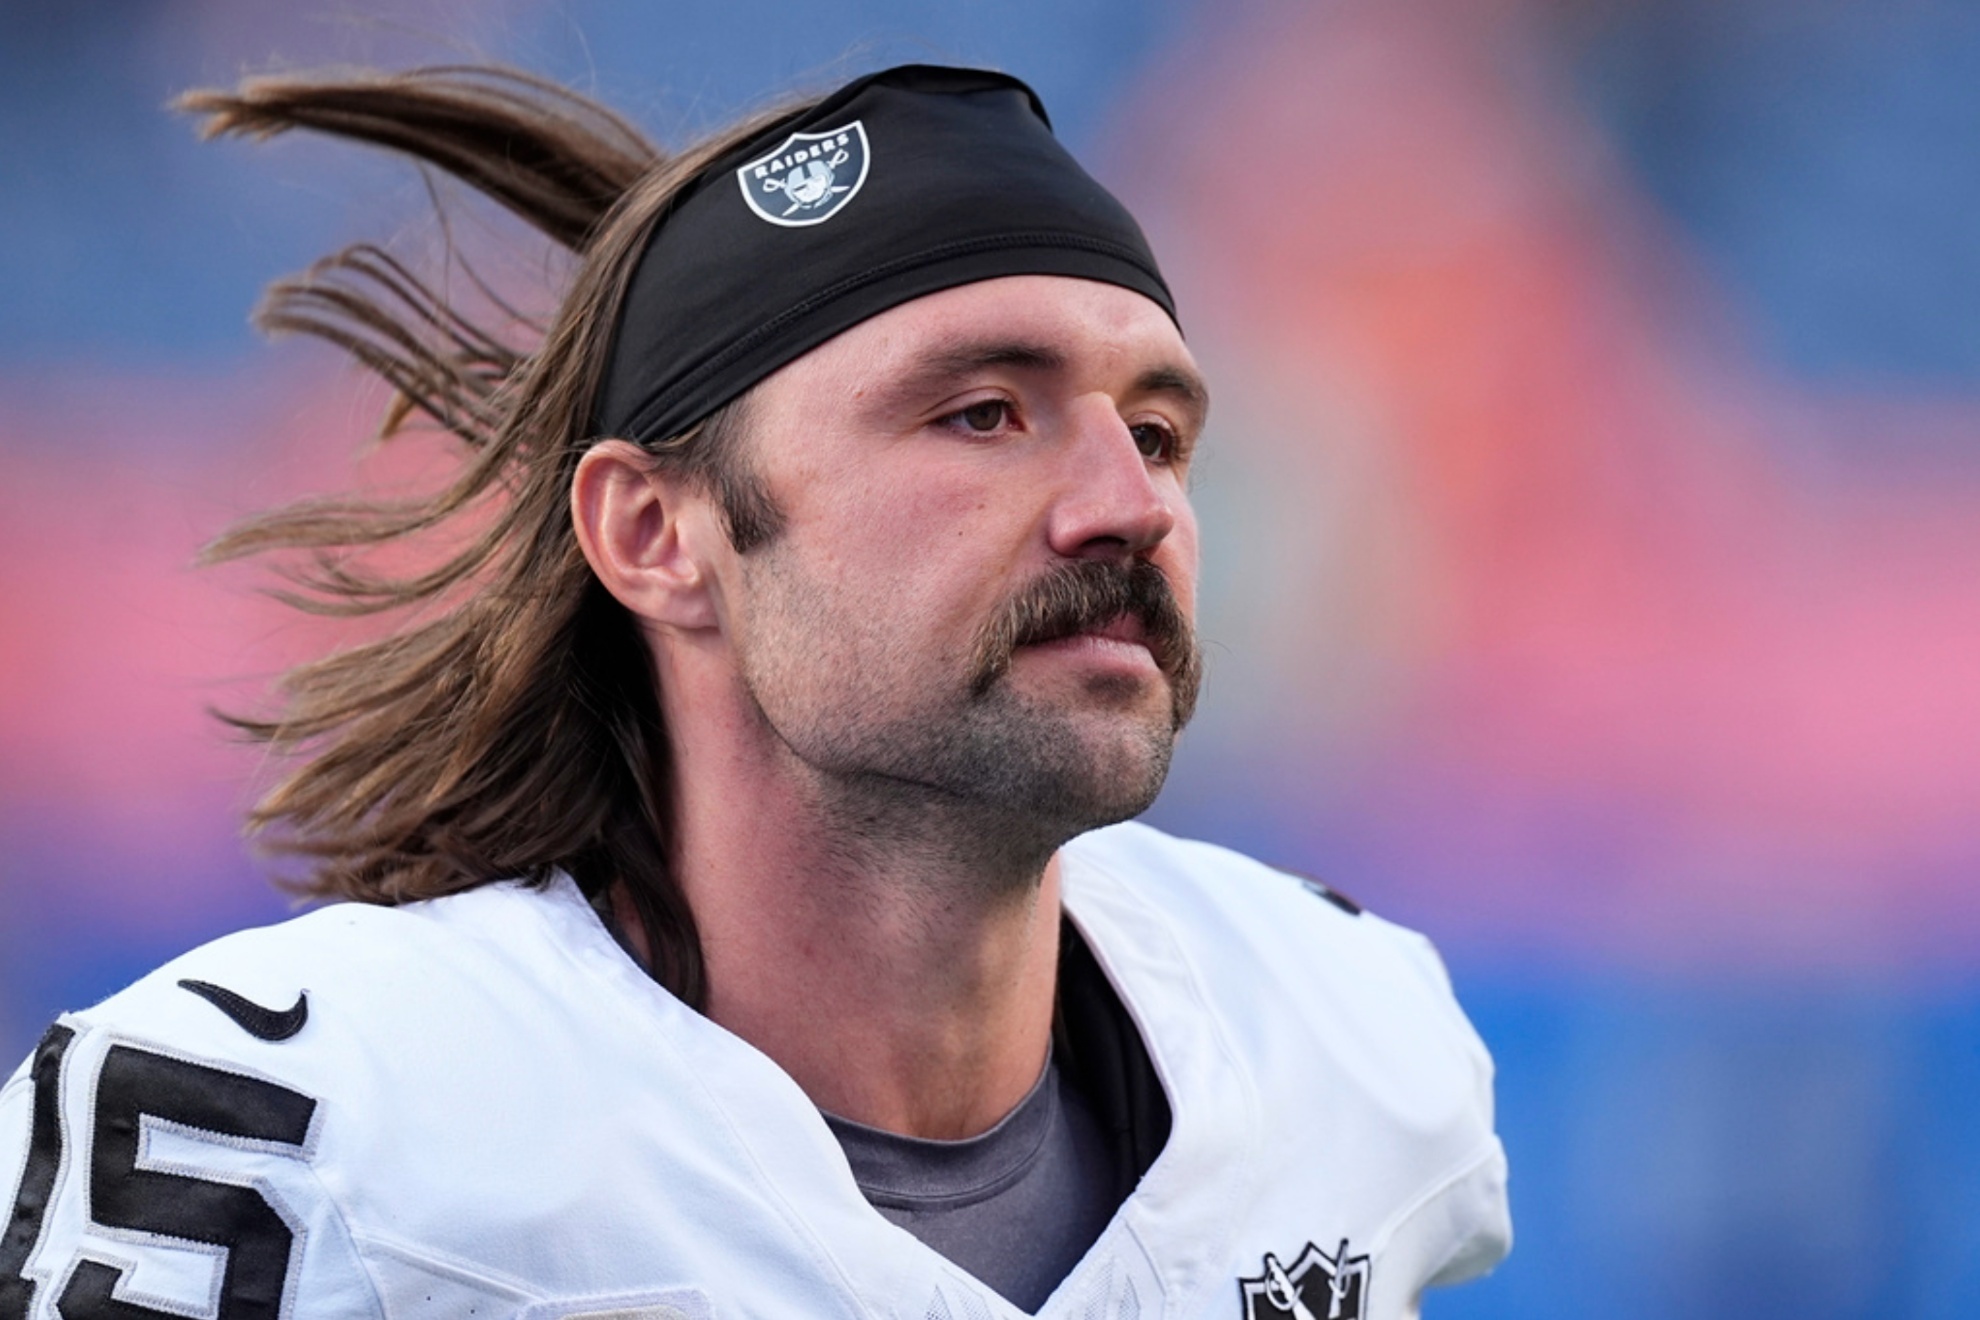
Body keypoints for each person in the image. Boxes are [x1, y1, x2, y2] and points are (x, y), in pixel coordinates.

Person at [0, 63, 1508, 1320]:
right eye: (984, 414)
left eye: (1164, 431)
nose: (1129, 502)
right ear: (656, 536)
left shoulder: (1346, 1039)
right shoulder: (291, 1130)